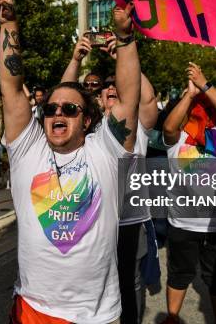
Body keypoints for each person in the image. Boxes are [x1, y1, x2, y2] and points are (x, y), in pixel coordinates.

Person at [0, 0, 140, 323]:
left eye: (70, 109)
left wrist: (125, 38)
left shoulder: (104, 150)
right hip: (32, 309)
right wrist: (9, 25)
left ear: (86, 120)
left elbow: (129, 96)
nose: (58, 113)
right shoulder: (29, 150)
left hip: (94, 315)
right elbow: (11, 87)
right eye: (51, 109)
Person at [62, 36, 159, 324]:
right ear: (99, 98)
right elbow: (64, 97)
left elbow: (148, 98)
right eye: (107, 89)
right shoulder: (85, 127)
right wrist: (76, 60)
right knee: (88, 281)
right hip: (88, 215)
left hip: (128, 219)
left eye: (118, 88)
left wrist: (123, 54)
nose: (112, 91)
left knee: (128, 282)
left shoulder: (136, 123)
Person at [161, 63, 216, 324]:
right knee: (178, 274)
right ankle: (172, 317)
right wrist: (190, 94)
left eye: (207, 103)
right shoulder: (178, 137)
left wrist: (206, 84)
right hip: (183, 222)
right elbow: (169, 126)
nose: (202, 108)